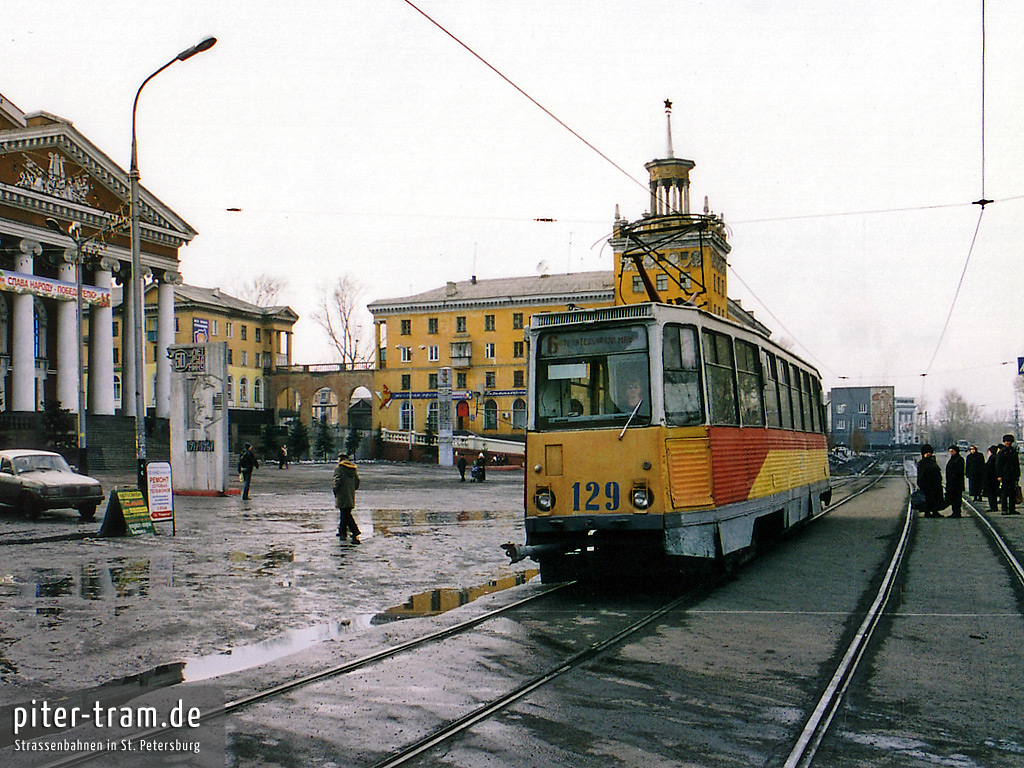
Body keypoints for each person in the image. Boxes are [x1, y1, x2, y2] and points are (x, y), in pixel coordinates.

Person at [333, 452, 361, 542]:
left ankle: (355, 530)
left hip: (342, 493)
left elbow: (337, 481)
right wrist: (352, 489)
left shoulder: (339, 468)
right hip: (350, 493)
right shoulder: (353, 468)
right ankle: (342, 531)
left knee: (346, 513)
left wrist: (335, 490)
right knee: (345, 512)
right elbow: (357, 481)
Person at [916, 444, 944, 518]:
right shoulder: (922, 463)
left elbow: (937, 471)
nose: (928, 454)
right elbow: (920, 474)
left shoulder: (933, 461)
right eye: (926, 452)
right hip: (926, 484)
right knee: (927, 499)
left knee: (936, 498)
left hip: (935, 484)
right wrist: (920, 483)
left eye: (929, 452)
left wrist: (939, 480)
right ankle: (927, 511)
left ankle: (935, 511)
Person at [996, 434, 1020, 515]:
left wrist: (1017, 475)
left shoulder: (1014, 452)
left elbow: (1016, 464)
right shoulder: (1002, 452)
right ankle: (1004, 509)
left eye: (1009, 441)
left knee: (1012, 493)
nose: (1007, 443)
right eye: (1006, 441)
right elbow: (998, 465)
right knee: (1004, 493)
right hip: (1004, 475)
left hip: (1012, 475)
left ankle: (1012, 509)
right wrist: (999, 475)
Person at [945, 445, 965, 518]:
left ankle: (957, 512)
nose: (951, 453)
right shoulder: (952, 459)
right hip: (951, 483)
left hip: (957, 483)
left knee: (957, 498)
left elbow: (960, 471)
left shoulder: (959, 459)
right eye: (950, 451)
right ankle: (954, 511)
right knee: (953, 498)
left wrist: (953, 475)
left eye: (952, 451)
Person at [984, 445, 1001, 512]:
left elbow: (989, 469)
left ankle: (993, 507)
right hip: (993, 479)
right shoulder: (995, 457)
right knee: (992, 494)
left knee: (991, 494)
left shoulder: (993, 458)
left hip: (991, 479)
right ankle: (993, 507)